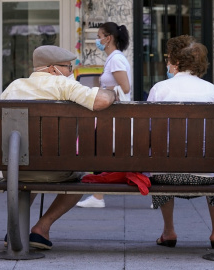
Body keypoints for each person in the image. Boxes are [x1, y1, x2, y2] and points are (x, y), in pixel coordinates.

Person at [0, 45, 118, 250]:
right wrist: (113, 94)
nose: (71, 72)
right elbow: (100, 101)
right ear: (53, 69)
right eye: (69, 67)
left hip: (15, 169)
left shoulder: (13, 87)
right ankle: (42, 228)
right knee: (80, 179)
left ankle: (15, 229)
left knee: (27, 169)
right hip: (55, 169)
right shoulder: (63, 85)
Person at [147, 35, 214, 249]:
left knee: (159, 161)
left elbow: (149, 131)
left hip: (167, 175)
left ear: (177, 63)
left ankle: (168, 231)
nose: (166, 64)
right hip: (208, 176)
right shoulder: (210, 90)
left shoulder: (160, 88)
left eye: (168, 59)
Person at [76, 22, 132, 208]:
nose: (97, 40)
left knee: (100, 150)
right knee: (102, 150)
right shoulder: (114, 58)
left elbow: (125, 88)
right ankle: (97, 195)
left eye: (99, 36)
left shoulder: (115, 59)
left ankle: (98, 196)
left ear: (108, 39)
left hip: (114, 115)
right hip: (112, 115)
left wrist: (103, 91)